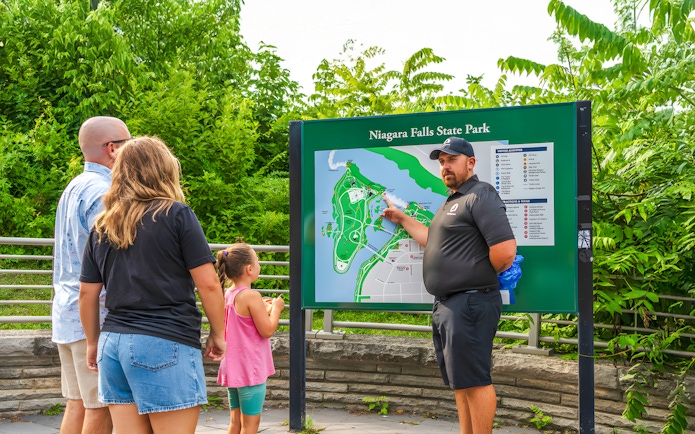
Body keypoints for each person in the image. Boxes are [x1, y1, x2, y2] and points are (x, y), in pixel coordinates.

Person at [78, 136, 226, 434]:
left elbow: (87, 294)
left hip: (113, 344)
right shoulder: (176, 215)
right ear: (164, 170)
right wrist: (219, 333)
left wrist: (93, 342)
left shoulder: (102, 225)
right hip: (164, 340)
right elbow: (209, 285)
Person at [381, 136, 516, 434]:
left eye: (451, 160)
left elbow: (505, 252)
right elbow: (434, 241)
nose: (445, 167)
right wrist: (402, 218)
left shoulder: (480, 195)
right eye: (441, 162)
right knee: (462, 381)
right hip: (449, 305)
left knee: (476, 379)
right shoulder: (452, 202)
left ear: (470, 163)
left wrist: (474, 275)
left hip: (470, 303)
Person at [52, 116, 131, 434]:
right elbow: (111, 261)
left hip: (66, 312)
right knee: (101, 408)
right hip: (93, 318)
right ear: (112, 148)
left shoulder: (73, 187)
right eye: (129, 143)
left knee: (78, 403)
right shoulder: (103, 193)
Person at [215, 243, 285, 434]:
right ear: (249, 269)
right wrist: (276, 308)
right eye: (257, 261)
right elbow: (267, 330)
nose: (259, 265)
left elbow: (243, 320)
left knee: (235, 423)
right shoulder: (251, 296)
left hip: (233, 368)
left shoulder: (227, 294)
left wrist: (264, 308)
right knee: (250, 426)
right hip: (250, 371)